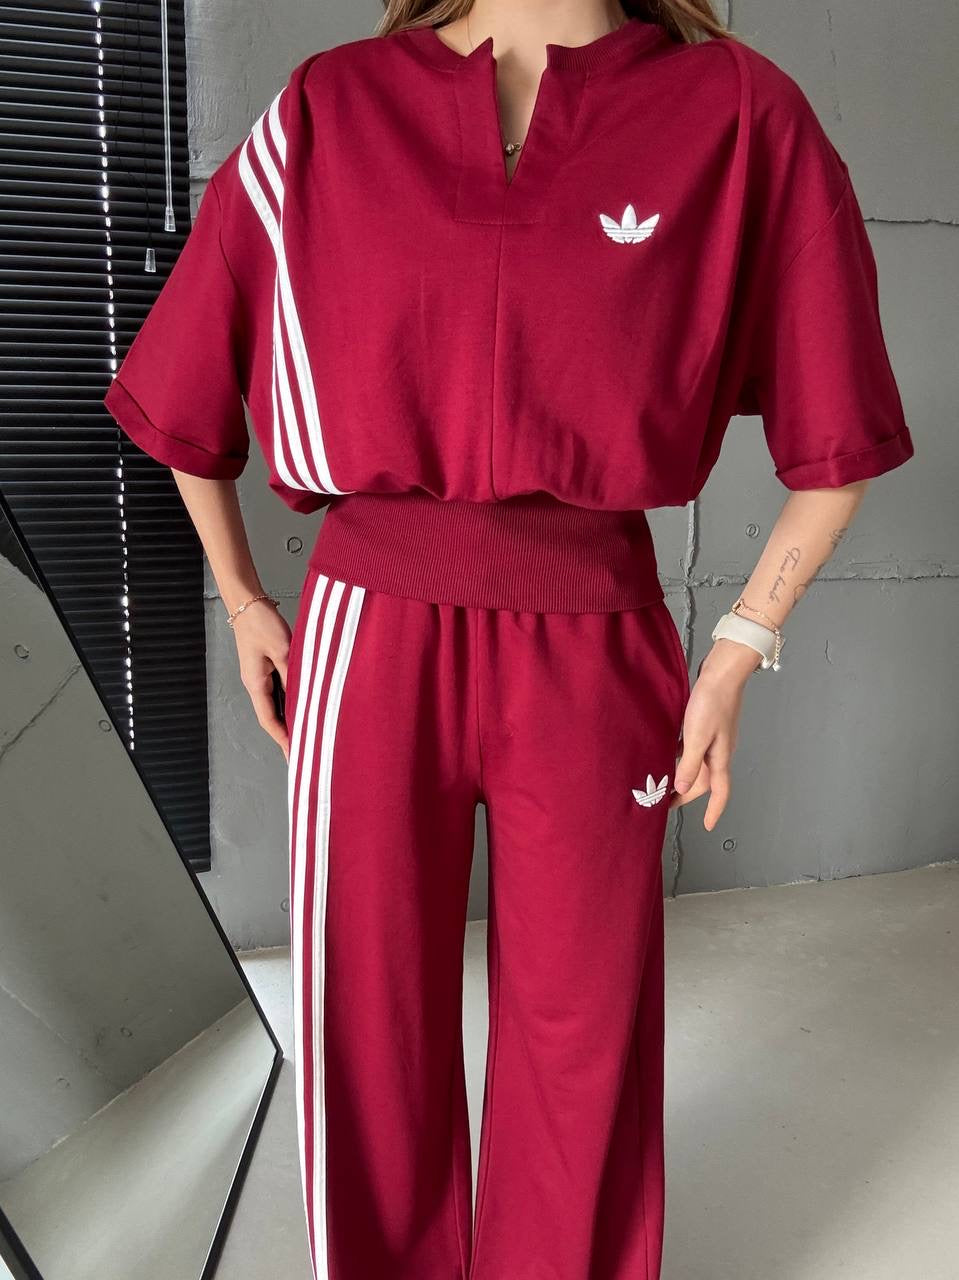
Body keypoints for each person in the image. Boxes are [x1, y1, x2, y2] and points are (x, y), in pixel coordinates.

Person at [102, 1, 915, 1276]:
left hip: (598, 638)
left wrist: (735, 649)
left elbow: (838, 442)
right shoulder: (329, 108)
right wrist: (249, 601)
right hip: (368, 634)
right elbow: (181, 383)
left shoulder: (736, 114)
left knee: (585, 1025)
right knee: (365, 1015)